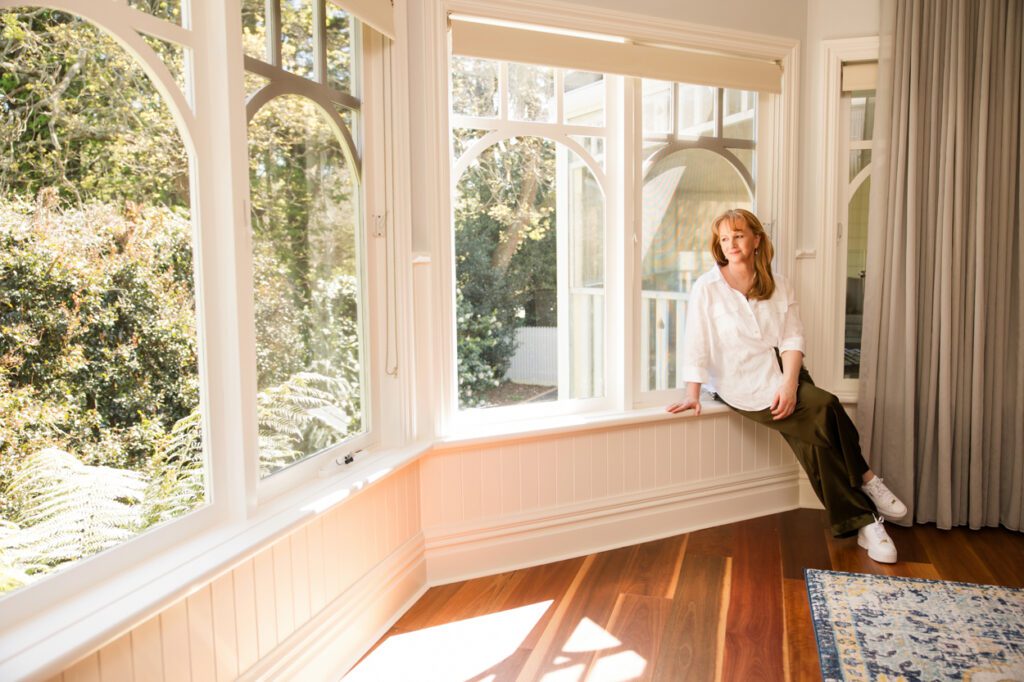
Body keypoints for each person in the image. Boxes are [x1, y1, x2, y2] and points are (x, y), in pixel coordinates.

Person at [665, 208, 907, 563]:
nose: (732, 244)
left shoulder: (779, 283)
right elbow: (696, 342)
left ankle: (865, 525)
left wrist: (791, 383)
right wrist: (692, 393)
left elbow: (793, 337)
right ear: (718, 244)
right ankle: (867, 478)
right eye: (725, 238)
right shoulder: (707, 288)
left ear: (757, 239)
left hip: (785, 373)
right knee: (825, 406)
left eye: (739, 235)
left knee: (816, 444)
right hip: (742, 385)